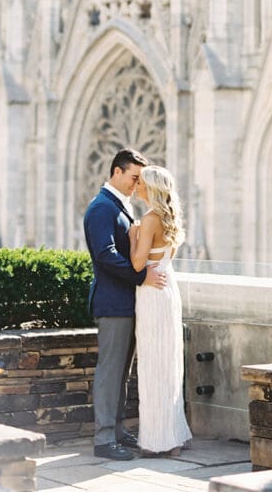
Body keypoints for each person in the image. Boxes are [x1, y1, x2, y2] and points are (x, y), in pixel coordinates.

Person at [83, 148, 167, 461]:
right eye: (134, 177)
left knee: (122, 372)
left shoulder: (120, 206)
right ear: (116, 172)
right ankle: (104, 439)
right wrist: (142, 276)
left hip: (127, 302)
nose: (137, 184)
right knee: (110, 371)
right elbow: (105, 256)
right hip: (113, 302)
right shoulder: (102, 208)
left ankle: (117, 430)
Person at [129, 165, 193, 455]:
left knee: (153, 365)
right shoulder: (170, 219)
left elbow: (138, 264)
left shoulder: (150, 219)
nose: (137, 186)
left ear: (151, 189)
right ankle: (173, 437)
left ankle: (157, 441)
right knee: (169, 365)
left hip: (152, 293)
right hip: (168, 291)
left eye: (141, 183)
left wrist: (133, 237)